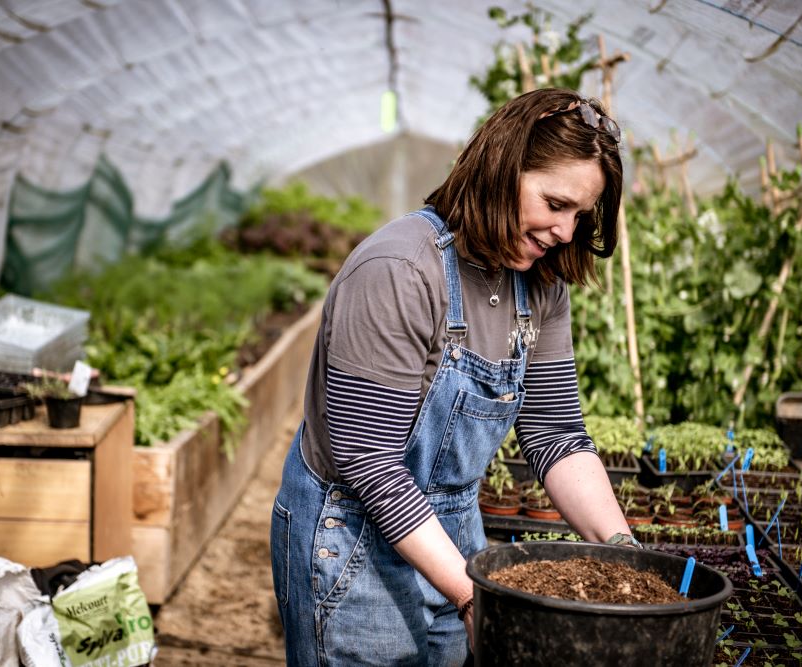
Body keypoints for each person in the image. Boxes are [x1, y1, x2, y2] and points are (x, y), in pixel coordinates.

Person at [270, 87, 636, 666]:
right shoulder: (399, 270)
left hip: (455, 536)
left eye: (579, 216)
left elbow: (555, 432)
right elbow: (368, 459)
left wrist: (626, 557)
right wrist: (471, 595)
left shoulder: (540, 285)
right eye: (555, 203)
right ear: (502, 169)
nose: (566, 232)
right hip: (352, 543)